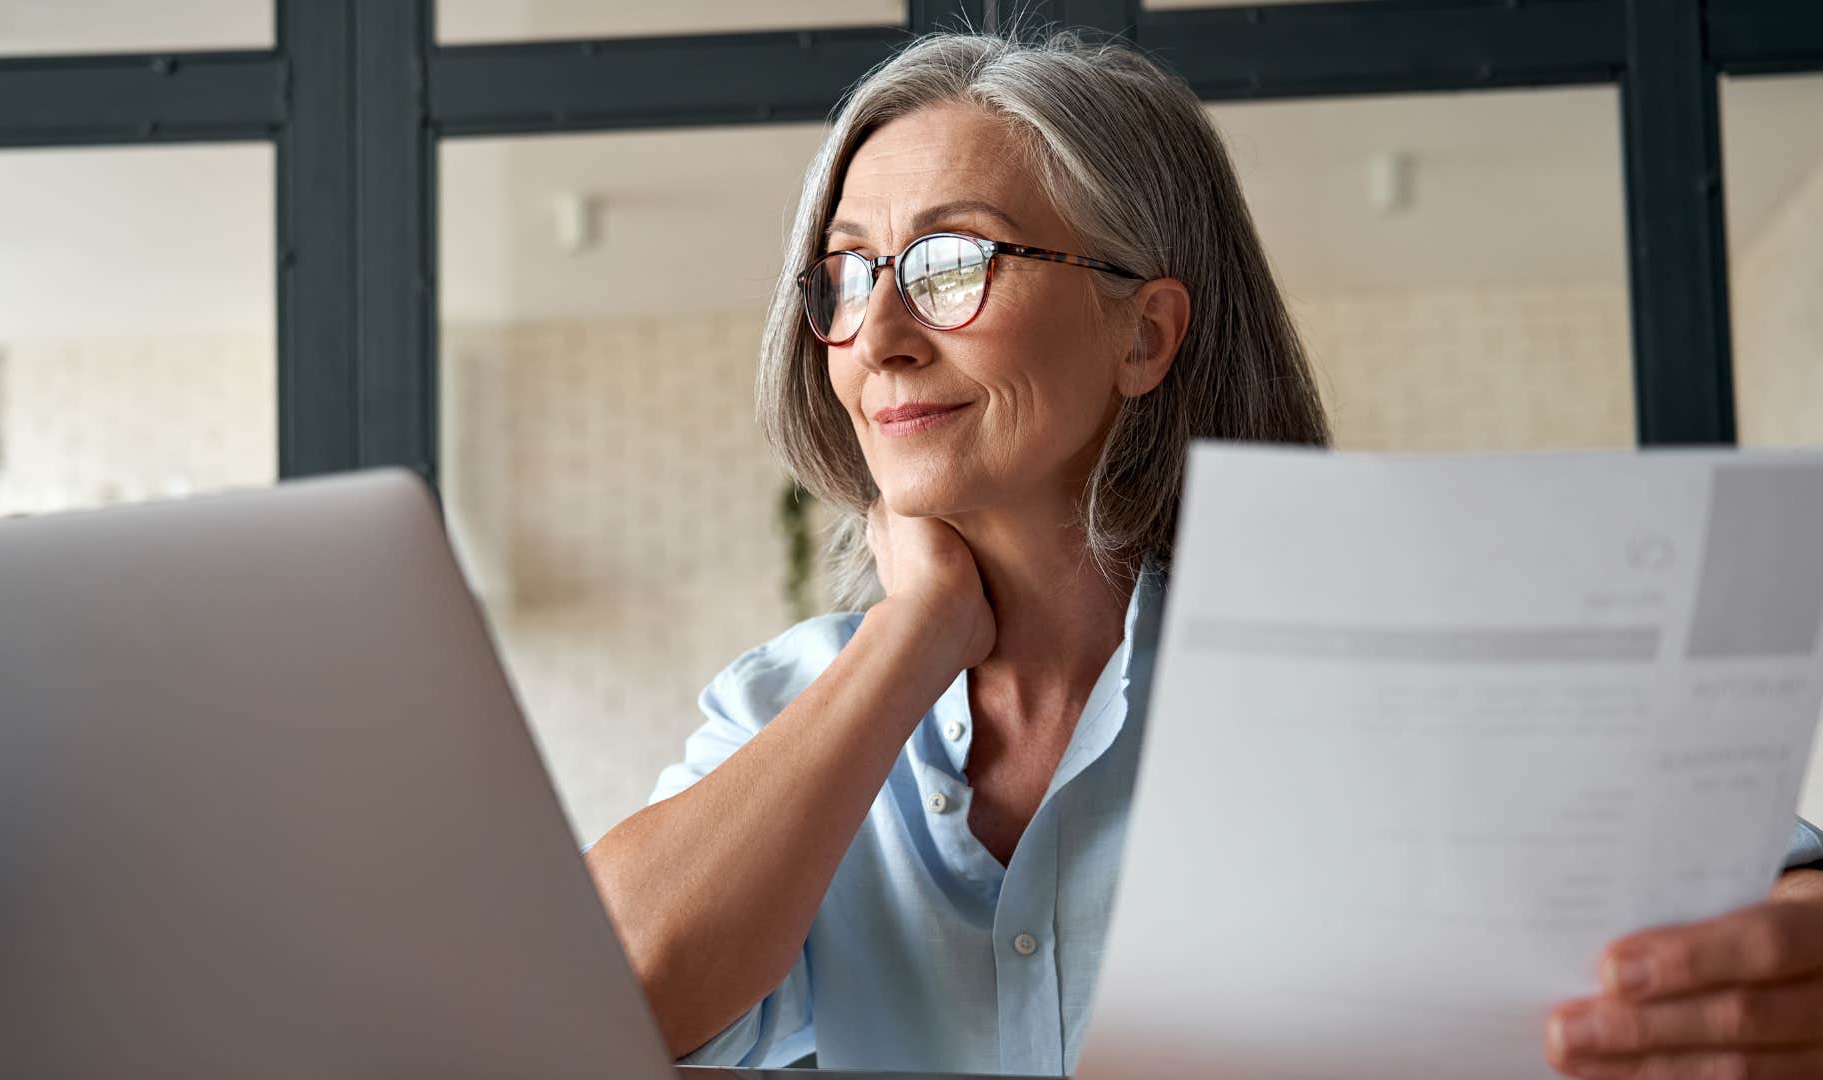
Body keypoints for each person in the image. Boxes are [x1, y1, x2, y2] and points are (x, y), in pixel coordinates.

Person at [584, 30, 1823, 1078]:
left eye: (952, 262)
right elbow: (603, 1000)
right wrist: (914, 636)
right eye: (847, 276)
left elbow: (1763, 905)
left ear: (1145, 334)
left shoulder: (1371, 665)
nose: (881, 335)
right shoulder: (781, 707)